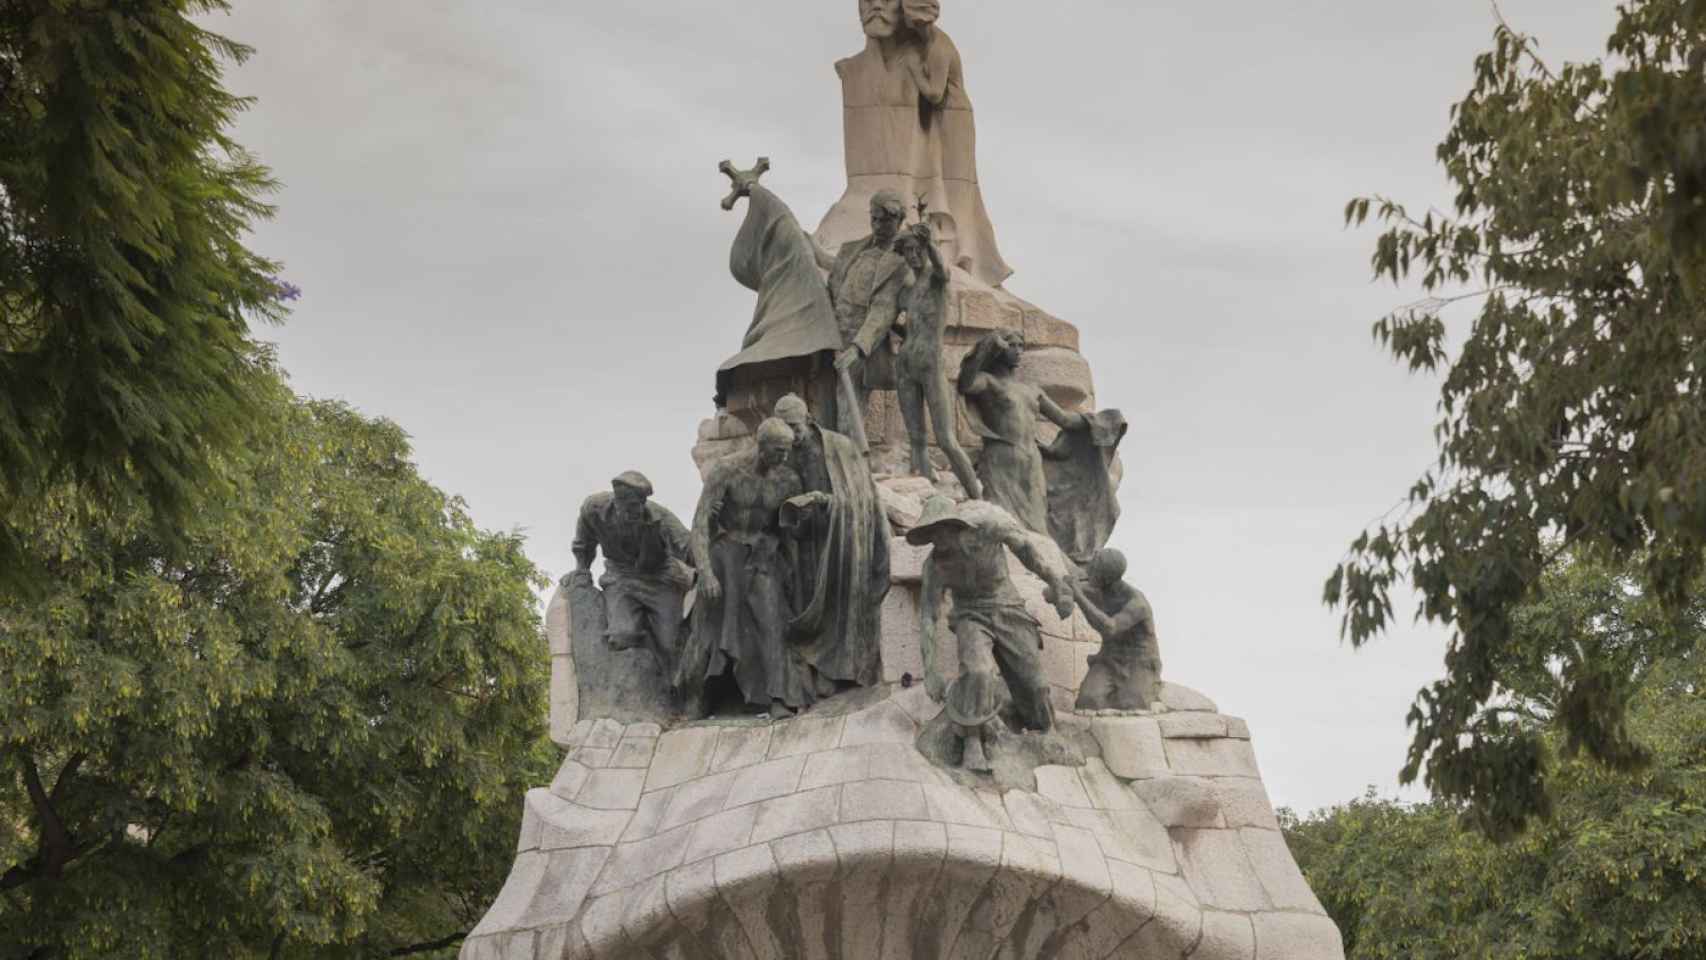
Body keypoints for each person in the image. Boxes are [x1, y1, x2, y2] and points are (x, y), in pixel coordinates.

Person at [911, 496, 1076, 771]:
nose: (937, 539)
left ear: (955, 525)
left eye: (941, 530)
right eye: (930, 534)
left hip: (1008, 607)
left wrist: (1055, 581)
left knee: (1033, 683)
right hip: (970, 615)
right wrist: (930, 670)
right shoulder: (935, 566)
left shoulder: (987, 530)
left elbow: (1027, 552)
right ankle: (973, 744)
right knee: (978, 672)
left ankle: (1045, 730)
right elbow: (928, 614)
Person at [680, 419, 813, 716]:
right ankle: (697, 695)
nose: (784, 457)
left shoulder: (788, 480)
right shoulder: (727, 470)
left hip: (763, 556)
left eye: (787, 451)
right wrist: (706, 572)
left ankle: (779, 697)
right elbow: (700, 523)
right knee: (707, 624)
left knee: (772, 622)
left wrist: (804, 519)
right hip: (725, 555)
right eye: (778, 451)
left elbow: (792, 533)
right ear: (760, 444)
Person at [773, 394, 891, 690]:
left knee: (843, 599)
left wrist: (827, 501)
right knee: (807, 596)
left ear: (809, 420)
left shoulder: (840, 447)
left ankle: (844, 670)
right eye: (784, 428)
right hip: (807, 539)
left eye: (794, 427)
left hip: (844, 537)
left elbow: (863, 498)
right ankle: (814, 672)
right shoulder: (784, 453)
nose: (791, 436)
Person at [958, 330, 1091, 535]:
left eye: (1021, 346)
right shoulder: (988, 381)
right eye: (1012, 345)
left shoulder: (1032, 390)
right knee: (1001, 520)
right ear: (1000, 348)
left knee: (1038, 524)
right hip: (1001, 458)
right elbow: (965, 384)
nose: (1019, 351)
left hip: (1031, 459)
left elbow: (1064, 419)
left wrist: (1094, 423)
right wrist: (986, 345)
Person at [565, 471, 693, 674]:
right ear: (618, 502)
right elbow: (584, 541)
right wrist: (581, 569)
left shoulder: (659, 516)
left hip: (660, 579)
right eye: (632, 506)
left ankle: (674, 686)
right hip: (620, 576)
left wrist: (709, 567)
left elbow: (687, 546)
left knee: (671, 645)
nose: (638, 510)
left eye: (641, 504)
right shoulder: (594, 509)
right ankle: (641, 676)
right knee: (621, 636)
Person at [892, 223, 981, 496]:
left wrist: (930, 243)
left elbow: (942, 270)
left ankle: (977, 496)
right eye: (908, 250)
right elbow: (905, 327)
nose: (913, 255)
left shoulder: (936, 280)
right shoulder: (907, 290)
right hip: (906, 363)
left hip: (931, 365)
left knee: (946, 439)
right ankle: (925, 487)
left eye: (917, 250)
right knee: (916, 438)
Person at [818, 191, 910, 437]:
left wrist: (858, 348)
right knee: (824, 401)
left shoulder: (901, 262)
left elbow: (884, 308)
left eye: (886, 221)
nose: (879, 226)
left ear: (900, 221)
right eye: (875, 219)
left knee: (850, 407)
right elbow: (832, 287)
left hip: (862, 341)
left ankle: (852, 458)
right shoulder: (851, 250)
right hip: (831, 335)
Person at [1071, 549, 1163, 711]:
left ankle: (1151, 688)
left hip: (1137, 662)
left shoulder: (1137, 603)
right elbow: (1068, 588)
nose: (1088, 573)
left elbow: (1110, 628)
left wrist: (1078, 596)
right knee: (1088, 701)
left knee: (1131, 705)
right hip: (1109, 660)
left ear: (1106, 578)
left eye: (1093, 571)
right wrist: (1063, 588)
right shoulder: (1099, 590)